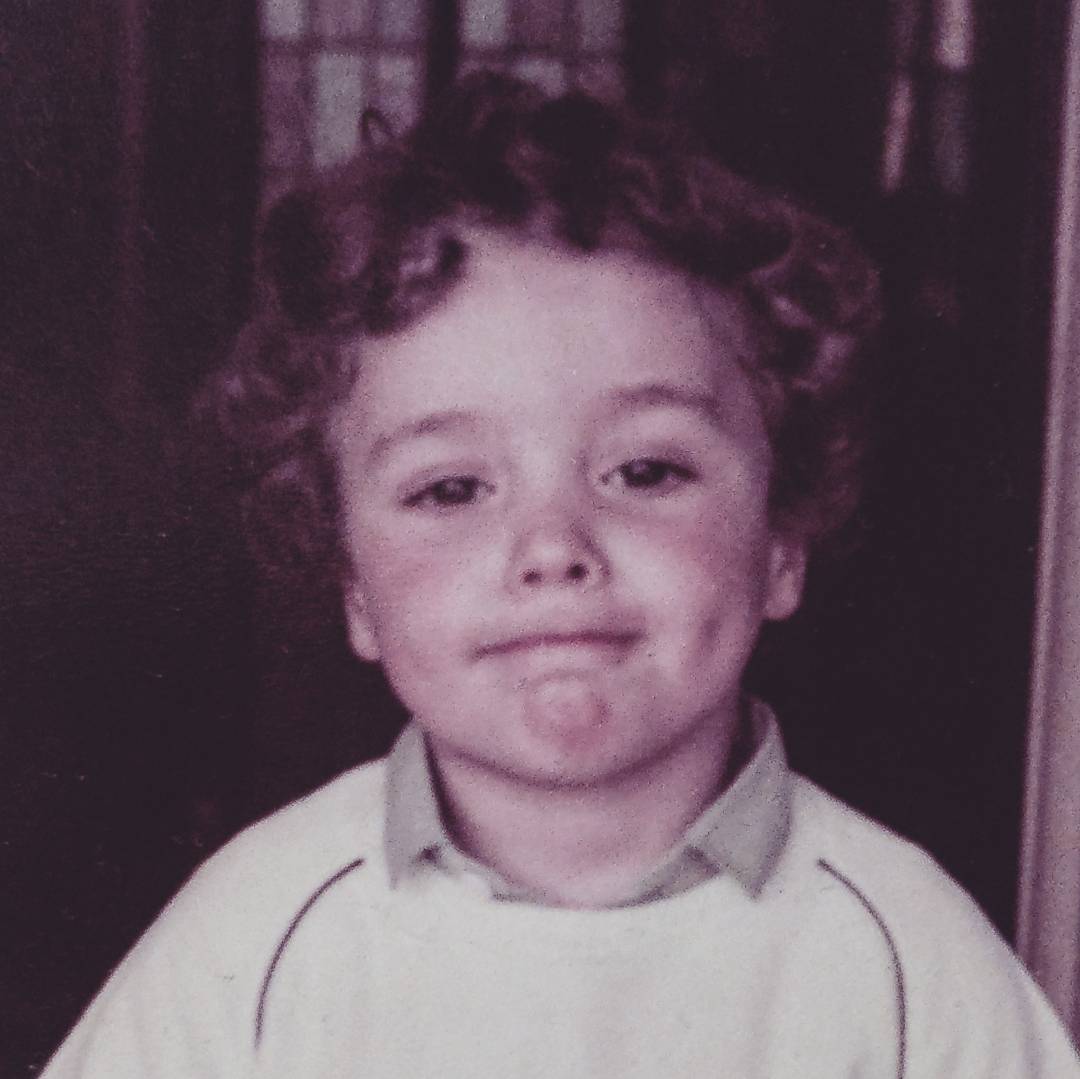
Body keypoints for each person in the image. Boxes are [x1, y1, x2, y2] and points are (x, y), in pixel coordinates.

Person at [42, 72, 1080, 1078]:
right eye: (452, 488)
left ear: (781, 539)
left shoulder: (909, 966)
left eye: (646, 470)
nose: (552, 546)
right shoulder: (253, 941)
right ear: (354, 583)